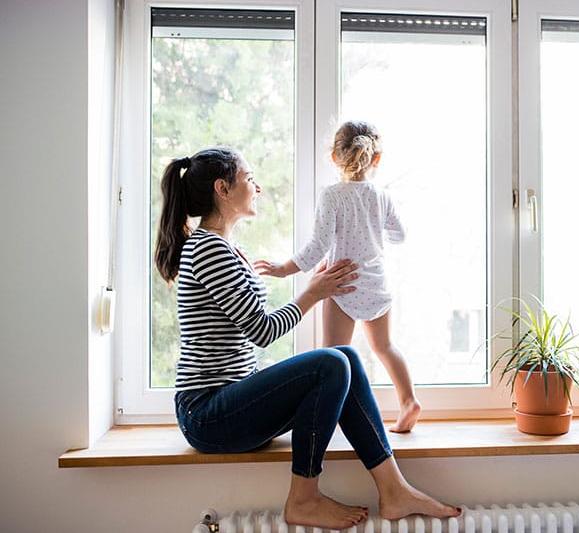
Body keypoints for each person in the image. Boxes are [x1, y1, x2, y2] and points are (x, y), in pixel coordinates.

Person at [154, 147, 459, 530]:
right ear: (223, 189)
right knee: (330, 362)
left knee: (344, 356)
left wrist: (315, 287)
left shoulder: (224, 248)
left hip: (229, 402)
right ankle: (304, 497)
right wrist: (313, 293)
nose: (258, 186)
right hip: (207, 414)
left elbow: (247, 326)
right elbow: (262, 330)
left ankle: (393, 489)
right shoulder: (209, 249)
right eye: (249, 178)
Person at [258, 121, 420, 433]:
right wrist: (373, 226)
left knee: (331, 356)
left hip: (341, 283)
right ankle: (408, 401)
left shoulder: (332, 196)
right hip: (376, 283)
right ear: (376, 159)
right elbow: (399, 234)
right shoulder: (381, 196)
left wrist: (282, 269)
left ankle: (330, 419)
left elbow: (317, 247)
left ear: (334, 157)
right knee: (385, 347)